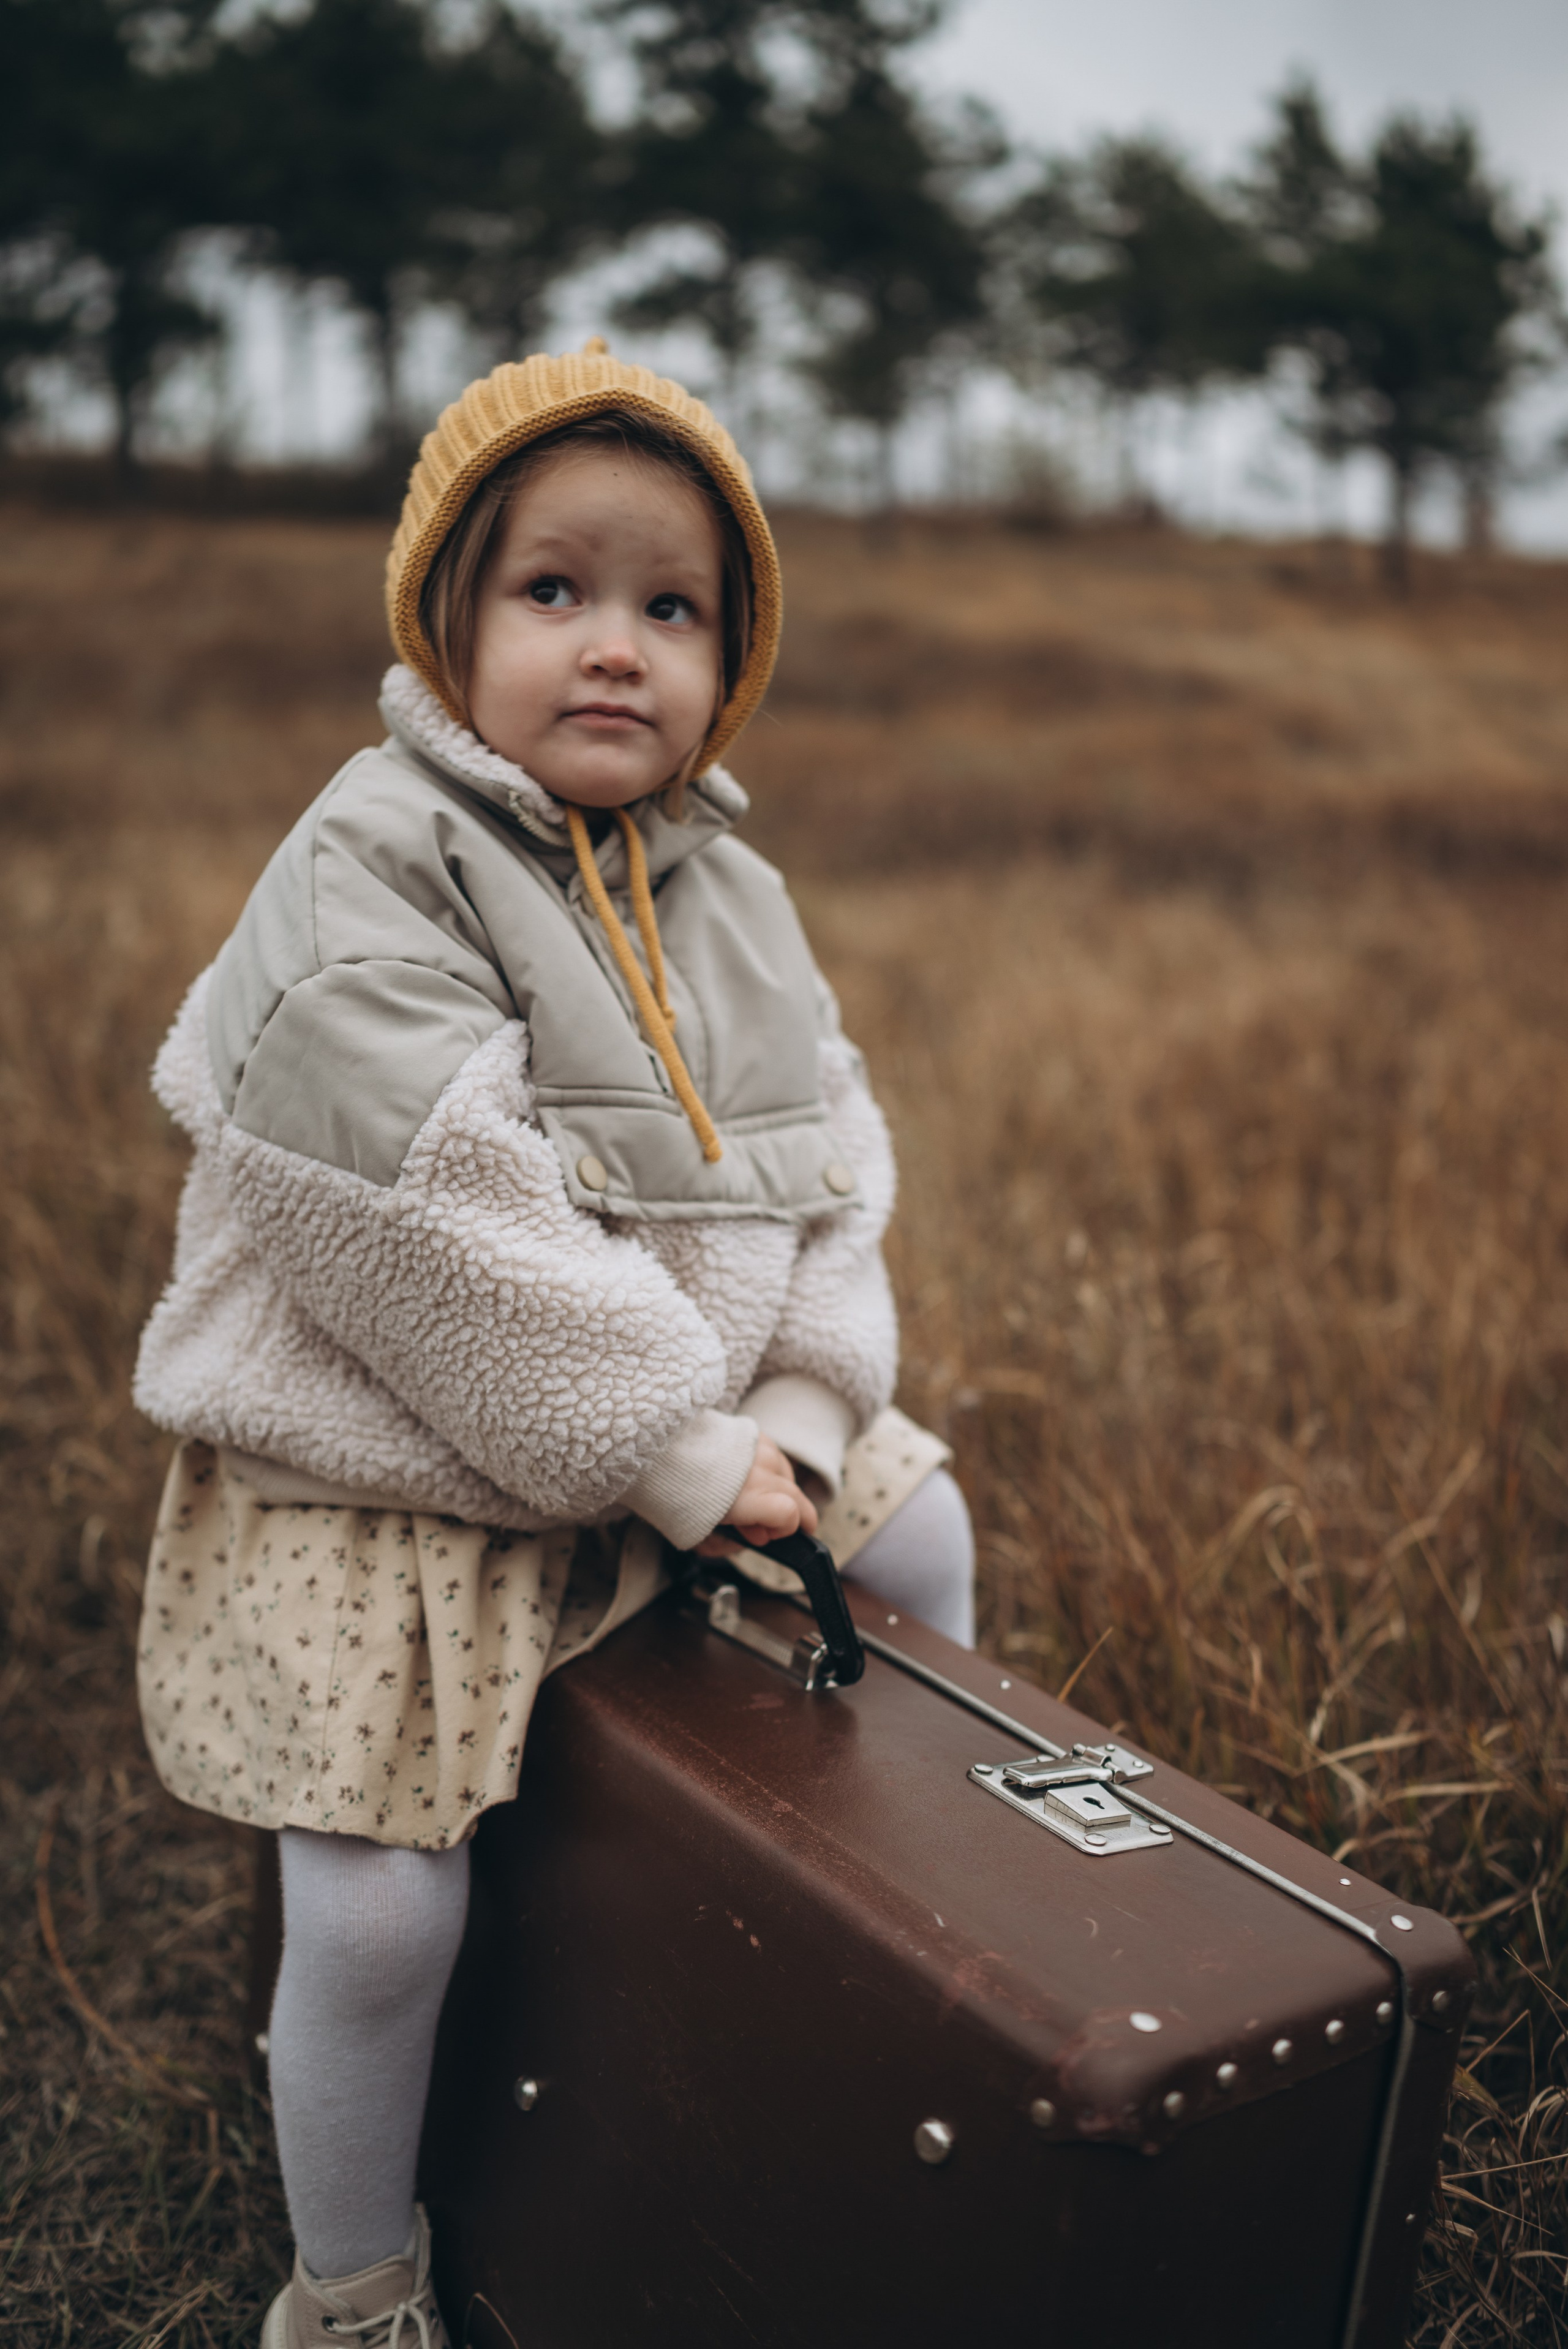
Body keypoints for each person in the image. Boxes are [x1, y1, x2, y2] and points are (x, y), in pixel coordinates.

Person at [132, 343, 975, 2349]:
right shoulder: (371, 862)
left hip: (689, 1424)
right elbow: (425, 1227)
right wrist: (677, 1449)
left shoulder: (734, 896)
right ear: (447, 617)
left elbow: (832, 1167)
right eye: (555, 589)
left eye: (674, 608)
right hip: (393, 1455)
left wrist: (798, 1407)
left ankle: (889, 1942)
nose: (618, 646)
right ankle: (351, 2286)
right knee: (378, 1906)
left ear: (731, 660)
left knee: (924, 1529)